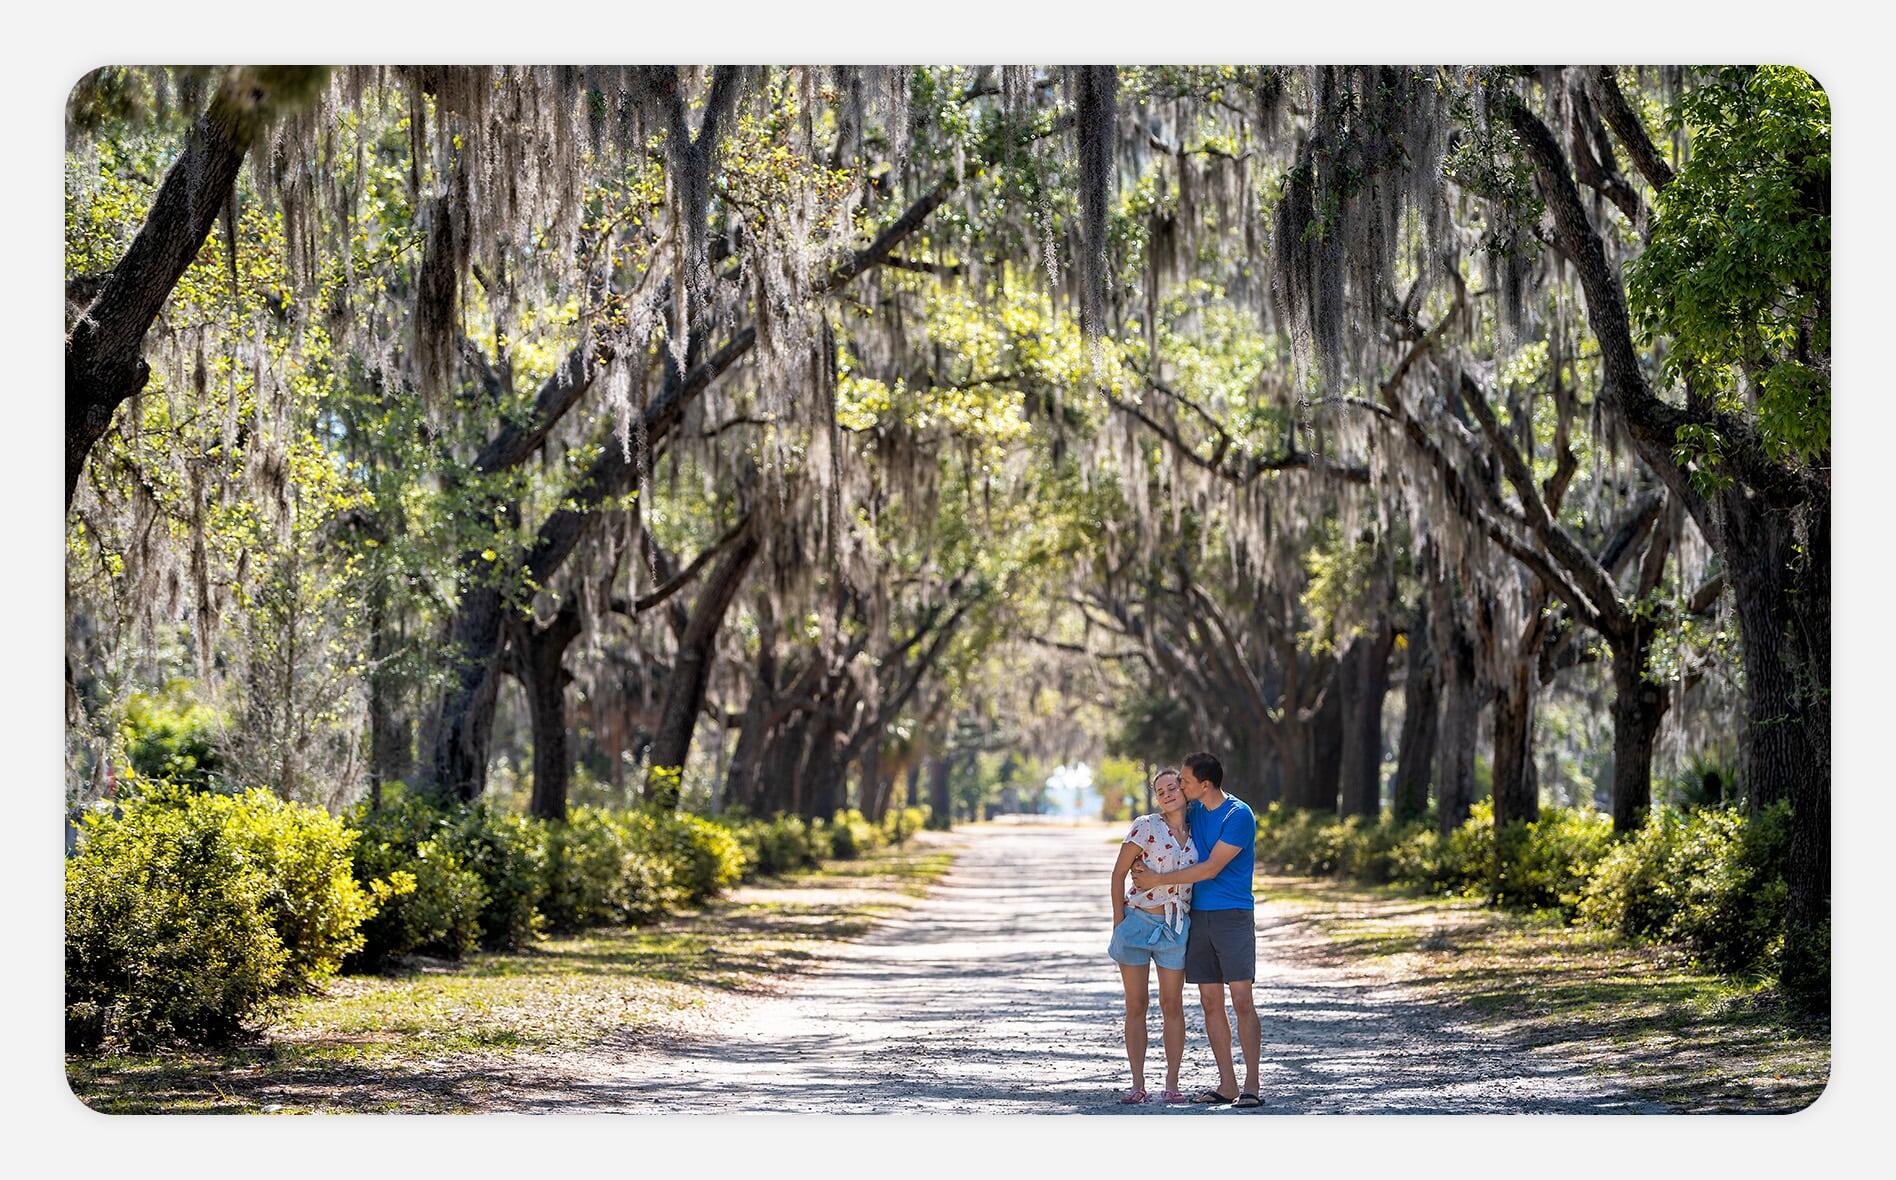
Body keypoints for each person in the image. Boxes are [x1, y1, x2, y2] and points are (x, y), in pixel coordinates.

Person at [1130, 750, 1260, 1108]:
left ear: (1205, 785)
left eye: (1184, 781)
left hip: (1232, 914)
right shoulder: (1195, 811)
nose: (1180, 786)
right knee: (1209, 1001)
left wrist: (1158, 879)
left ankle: (1251, 1084)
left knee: (1242, 1000)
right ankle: (1228, 1084)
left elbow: (1210, 869)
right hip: (1196, 915)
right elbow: (1163, 831)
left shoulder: (1238, 815)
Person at [1107, 768, 1198, 1105]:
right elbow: (1118, 874)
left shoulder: (1198, 829)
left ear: (1184, 790)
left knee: (1172, 1004)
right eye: (1160, 790)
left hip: (1175, 927)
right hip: (1138, 923)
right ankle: (1137, 1084)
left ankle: (1172, 1084)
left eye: (1172, 787)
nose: (1166, 793)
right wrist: (1120, 922)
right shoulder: (1145, 826)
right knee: (1137, 1005)